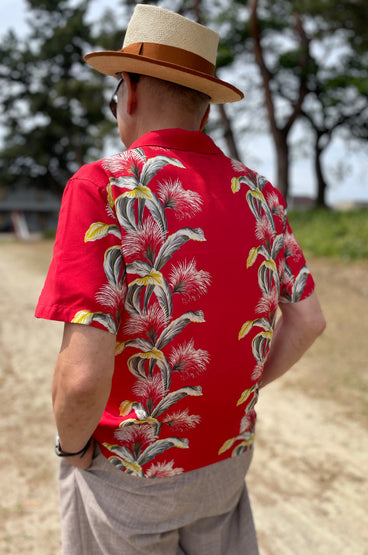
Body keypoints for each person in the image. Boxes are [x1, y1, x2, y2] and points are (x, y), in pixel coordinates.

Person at [36, 4, 325, 554]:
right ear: (206, 113)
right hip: (225, 463)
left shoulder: (104, 188)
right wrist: (231, 395)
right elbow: (309, 319)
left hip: (129, 473)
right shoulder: (260, 192)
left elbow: (80, 379)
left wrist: (72, 452)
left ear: (131, 92)